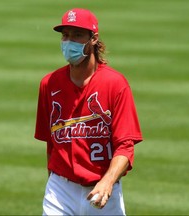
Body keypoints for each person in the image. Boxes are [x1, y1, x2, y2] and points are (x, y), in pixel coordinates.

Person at [34, 8, 143, 215]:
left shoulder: (115, 84)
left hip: (102, 191)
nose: (69, 42)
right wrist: (53, 183)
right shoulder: (49, 84)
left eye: (77, 35)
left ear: (93, 39)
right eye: (65, 35)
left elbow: (125, 147)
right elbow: (51, 143)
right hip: (60, 190)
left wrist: (108, 182)